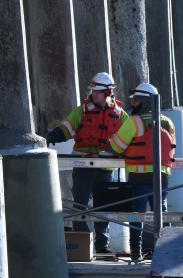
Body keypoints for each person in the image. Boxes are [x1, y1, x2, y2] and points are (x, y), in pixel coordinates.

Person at [46, 72, 132, 254]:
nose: (94, 94)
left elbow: (130, 135)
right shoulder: (82, 111)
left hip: (105, 166)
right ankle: (82, 244)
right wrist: (55, 135)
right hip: (84, 164)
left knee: (104, 207)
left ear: (108, 93)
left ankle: (102, 245)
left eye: (98, 92)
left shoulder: (120, 115)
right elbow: (67, 127)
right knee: (80, 205)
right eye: (93, 91)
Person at [108, 82, 176, 262]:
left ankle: (136, 254)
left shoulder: (133, 122)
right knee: (161, 214)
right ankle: (165, 252)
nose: (133, 103)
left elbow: (117, 146)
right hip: (162, 177)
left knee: (136, 216)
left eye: (136, 100)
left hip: (139, 177)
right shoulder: (168, 122)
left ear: (144, 102)